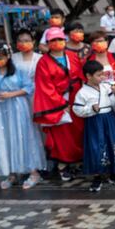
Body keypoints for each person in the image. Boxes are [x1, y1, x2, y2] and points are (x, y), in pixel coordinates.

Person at [0, 43, 46, 189]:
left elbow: (29, 87)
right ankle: (11, 173)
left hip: (18, 107)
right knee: (4, 138)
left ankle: (33, 172)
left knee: (23, 136)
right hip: (1, 109)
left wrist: (11, 94)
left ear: (8, 56)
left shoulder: (19, 69)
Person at [33, 27, 84, 181]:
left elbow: (81, 75)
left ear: (65, 40)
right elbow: (45, 86)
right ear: (47, 43)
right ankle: (63, 165)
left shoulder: (72, 56)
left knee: (78, 131)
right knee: (62, 134)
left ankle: (76, 163)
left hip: (77, 98)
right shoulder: (43, 62)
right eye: (53, 40)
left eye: (59, 39)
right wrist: (62, 103)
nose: (57, 43)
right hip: (58, 102)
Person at [72, 60, 115, 192]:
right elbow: (77, 109)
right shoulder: (82, 92)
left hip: (108, 119)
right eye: (98, 75)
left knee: (112, 143)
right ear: (88, 76)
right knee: (96, 146)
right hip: (94, 122)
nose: (102, 77)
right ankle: (98, 176)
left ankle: (113, 173)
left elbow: (114, 102)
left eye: (102, 74)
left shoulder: (106, 87)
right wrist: (91, 109)